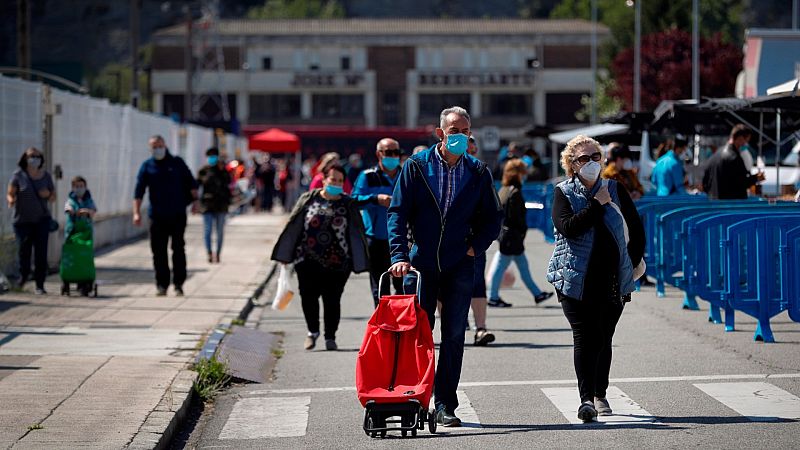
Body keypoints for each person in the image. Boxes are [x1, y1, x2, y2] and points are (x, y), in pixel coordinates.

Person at [388, 106, 503, 427]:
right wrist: (399, 256)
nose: (460, 137)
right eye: (454, 131)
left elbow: (493, 218)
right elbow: (397, 213)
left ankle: (444, 403)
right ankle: (415, 397)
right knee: (417, 334)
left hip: (459, 264)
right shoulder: (416, 167)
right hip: (421, 265)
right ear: (440, 134)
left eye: (465, 132)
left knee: (454, 335)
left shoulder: (478, 172)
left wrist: (474, 248)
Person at [546, 135, 644, 423]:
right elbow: (567, 228)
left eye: (595, 157)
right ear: (572, 165)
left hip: (613, 279)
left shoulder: (615, 188)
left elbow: (636, 230)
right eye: (583, 159)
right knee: (585, 336)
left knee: (603, 337)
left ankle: (600, 391)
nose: (591, 163)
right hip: (574, 279)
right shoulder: (563, 192)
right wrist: (597, 204)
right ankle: (586, 398)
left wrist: (632, 263)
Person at [271, 165, 369, 351]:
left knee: (332, 300)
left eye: (340, 181)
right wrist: (286, 253)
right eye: (333, 180)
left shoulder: (347, 204)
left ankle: (330, 336)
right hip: (306, 260)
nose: (337, 184)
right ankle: (312, 332)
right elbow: (294, 226)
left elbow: (356, 232)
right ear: (324, 179)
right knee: (308, 297)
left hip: (339, 264)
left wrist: (358, 259)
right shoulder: (308, 199)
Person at [133, 135, 198, 297]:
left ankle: (178, 284)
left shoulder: (177, 163)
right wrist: (136, 213)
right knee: (158, 251)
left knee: (178, 249)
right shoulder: (147, 166)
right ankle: (162, 285)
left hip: (177, 214)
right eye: (154, 147)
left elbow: (191, 184)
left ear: (165, 145)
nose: (157, 149)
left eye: (159, 146)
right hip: (157, 216)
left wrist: (196, 203)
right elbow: (139, 191)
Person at [487, 159, 554, 308]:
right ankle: (493, 296)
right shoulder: (515, 192)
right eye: (523, 172)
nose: (525, 175)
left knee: (519, 266)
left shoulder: (505, 189)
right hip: (512, 237)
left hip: (507, 236)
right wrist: (521, 232)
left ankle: (537, 294)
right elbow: (516, 217)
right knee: (504, 267)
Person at [352, 138, 404, 307]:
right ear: (378, 154)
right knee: (381, 286)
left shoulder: (406, 175)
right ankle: (383, 324)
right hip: (376, 238)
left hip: (400, 238)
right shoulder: (367, 176)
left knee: (402, 286)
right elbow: (354, 200)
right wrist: (376, 199)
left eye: (396, 153)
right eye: (389, 153)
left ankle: (402, 325)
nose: (393, 157)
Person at [6, 147, 56, 294]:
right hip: (22, 221)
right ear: (25, 159)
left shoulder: (45, 176)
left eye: (37, 156)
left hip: (41, 220)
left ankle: (40, 284)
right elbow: (10, 192)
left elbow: (53, 196)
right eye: (31, 156)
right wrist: (11, 200)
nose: (34, 159)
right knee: (24, 251)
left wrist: (47, 194)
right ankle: (23, 277)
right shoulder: (18, 175)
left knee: (41, 253)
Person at [466, 137, 495, 346]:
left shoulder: (481, 173)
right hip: (443, 243)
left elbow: (493, 211)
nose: (470, 153)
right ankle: (453, 326)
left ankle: (480, 328)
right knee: (442, 288)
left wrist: (481, 241)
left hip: (473, 241)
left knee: (477, 284)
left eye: (473, 150)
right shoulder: (437, 171)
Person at [702, 124, 765, 199]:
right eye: (746, 141)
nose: (745, 144)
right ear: (740, 138)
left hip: (714, 204)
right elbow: (741, 183)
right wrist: (756, 178)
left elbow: (705, 183)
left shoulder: (715, 156)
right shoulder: (734, 158)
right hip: (731, 204)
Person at [63, 176, 97, 296]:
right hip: (72, 233)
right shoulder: (70, 200)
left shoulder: (89, 200)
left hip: (85, 233)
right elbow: (67, 208)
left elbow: (93, 211)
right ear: (73, 188)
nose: (79, 189)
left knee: (84, 256)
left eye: (81, 186)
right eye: (76, 186)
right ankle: (72, 277)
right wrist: (71, 211)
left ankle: (84, 283)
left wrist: (87, 212)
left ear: (85, 187)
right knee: (73, 256)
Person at [197, 147, 232, 263]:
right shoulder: (203, 170)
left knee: (220, 231)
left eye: (214, 156)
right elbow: (197, 185)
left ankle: (218, 253)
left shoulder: (223, 170)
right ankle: (209, 252)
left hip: (221, 205)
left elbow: (229, 182)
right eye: (209, 156)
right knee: (207, 231)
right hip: (207, 205)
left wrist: (222, 169)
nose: (212, 158)